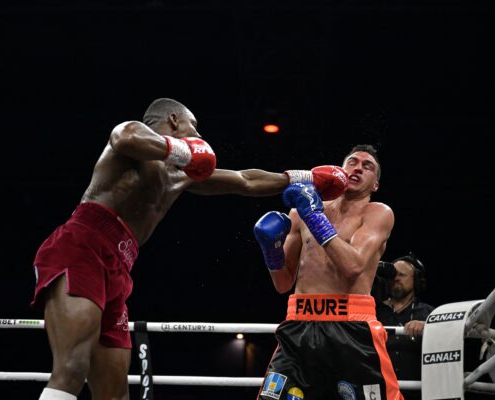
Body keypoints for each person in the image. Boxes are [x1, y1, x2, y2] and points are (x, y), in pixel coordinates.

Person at [30, 97, 348, 400]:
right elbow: (124, 137)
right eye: (193, 126)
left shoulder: (180, 175)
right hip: (83, 246)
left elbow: (244, 181)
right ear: (174, 120)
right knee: (72, 369)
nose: (199, 136)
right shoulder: (135, 138)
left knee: (114, 393)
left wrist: (304, 178)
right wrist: (182, 150)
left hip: (120, 266)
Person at [253, 144, 403, 400]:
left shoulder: (377, 213)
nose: (358, 168)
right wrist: (271, 249)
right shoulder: (301, 212)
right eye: (352, 162)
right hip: (299, 325)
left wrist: (314, 217)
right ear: (340, 171)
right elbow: (282, 283)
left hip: (352, 328)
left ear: (375, 184)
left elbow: (353, 266)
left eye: (367, 167)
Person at [376, 253, 434, 398]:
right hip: (380, 392)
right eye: (393, 275)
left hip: (416, 394)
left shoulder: (429, 313)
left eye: (402, 275)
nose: (396, 278)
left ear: (416, 281)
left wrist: (429, 326)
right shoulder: (373, 312)